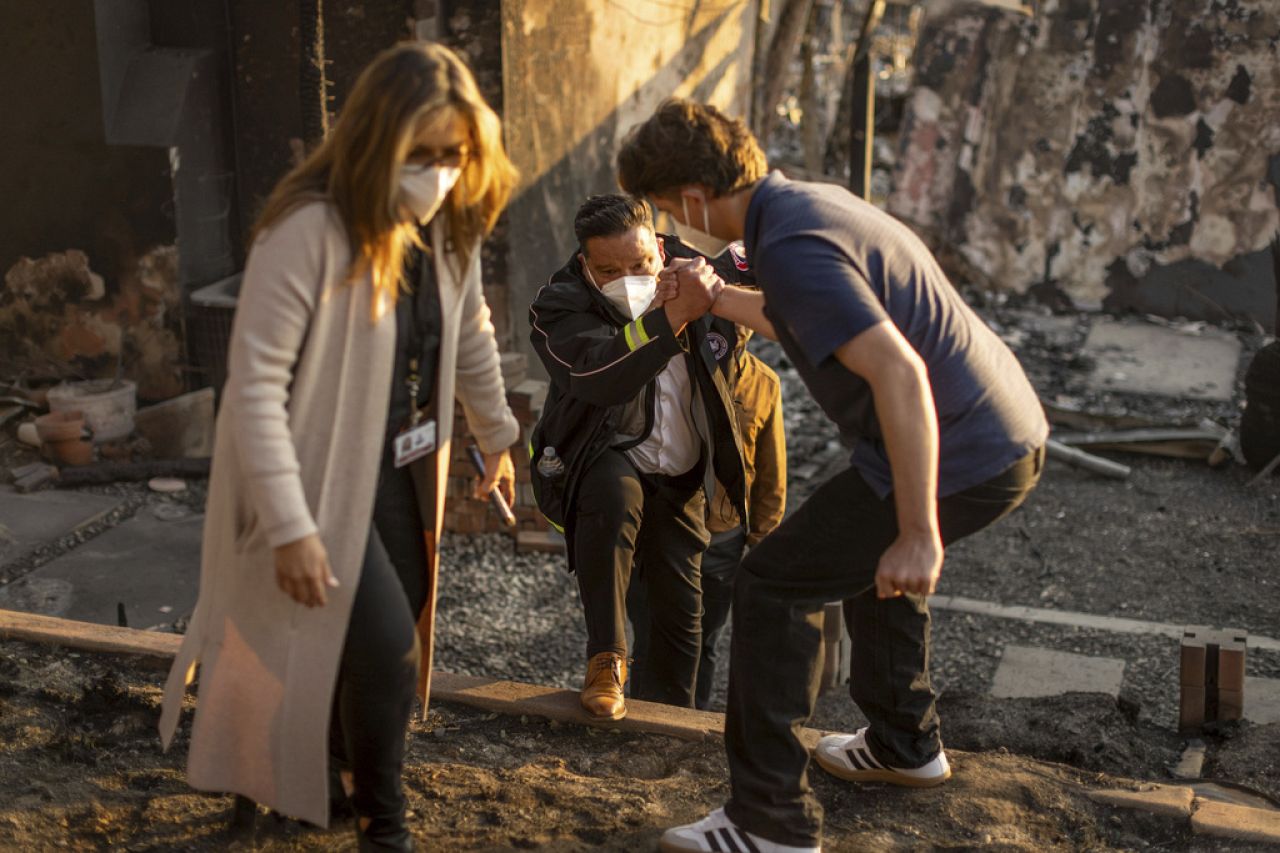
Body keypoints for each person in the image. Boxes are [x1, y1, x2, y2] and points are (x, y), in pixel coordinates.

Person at [617, 99, 1048, 853]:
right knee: (858, 555)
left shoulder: (788, 243)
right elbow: (812, 316)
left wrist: (919, 532)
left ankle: (769, 821)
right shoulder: (804, 207)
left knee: (771, 583)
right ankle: (905, 743)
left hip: (962, 443)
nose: (670, 224)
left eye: (663, 210)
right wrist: (717, 297)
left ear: (690, 199)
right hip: (998, 429)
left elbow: (900, 373)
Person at [158, 43, 520, 852]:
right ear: (374, 141)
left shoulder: (449, 229)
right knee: (389, 647)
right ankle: (381, 825)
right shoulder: (310, 229)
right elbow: (252, 388)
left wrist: (497, 436)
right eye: (418, 155)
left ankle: (314, 777)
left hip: (398, 468)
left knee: (356, 642)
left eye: (452, 156)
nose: (436, 174)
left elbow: (471, 334)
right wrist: (289, 526)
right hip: (311, 473)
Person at [527, 193, 750, 720]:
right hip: (603, 455)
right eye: (609, 269)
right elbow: (598, 376)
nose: (628, 276)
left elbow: (763, 263)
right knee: (611, 494)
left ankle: (668, 722)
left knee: (682, 618)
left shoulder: (694, 272)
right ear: (585, 263)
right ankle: (606, 658)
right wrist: (667, 316)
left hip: (683, 473)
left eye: (640, 264)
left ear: (659, 246)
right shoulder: (559, 304)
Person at [627, 320, 786, 711]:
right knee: (648, 629)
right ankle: (640, 715)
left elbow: (771, 469)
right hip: (664, 525)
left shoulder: (764, 383)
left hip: (723, 536)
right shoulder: (676, 367)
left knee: (706, 639)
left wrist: (763, 542)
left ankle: (689, 719)